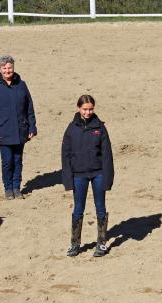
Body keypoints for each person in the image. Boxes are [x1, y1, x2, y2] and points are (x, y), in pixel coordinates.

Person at [62, 95, 114, 258]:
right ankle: (75, 244)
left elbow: (107, 155)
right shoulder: (71, 129)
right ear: (79, 108)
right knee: (78, 209)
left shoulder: (100, 127)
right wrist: (67, 180)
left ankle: (101, 242)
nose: (88, 112)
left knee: (101, 208)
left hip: (98, 173)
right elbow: (66, 155)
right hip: (79, 175)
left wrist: (108, 178)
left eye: (91, 109)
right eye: (85, 109)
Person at [0, 55, 37, 200]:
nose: (7, 71)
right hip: (3, 132)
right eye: (4, 68)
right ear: (0, 69)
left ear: (13, 68)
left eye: (10, 68)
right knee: (7, 161)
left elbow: (29, 107)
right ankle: (8, 188)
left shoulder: (22, 85)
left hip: (20, 130)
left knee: (18, 160)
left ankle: (16, 187)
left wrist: (32, 127)